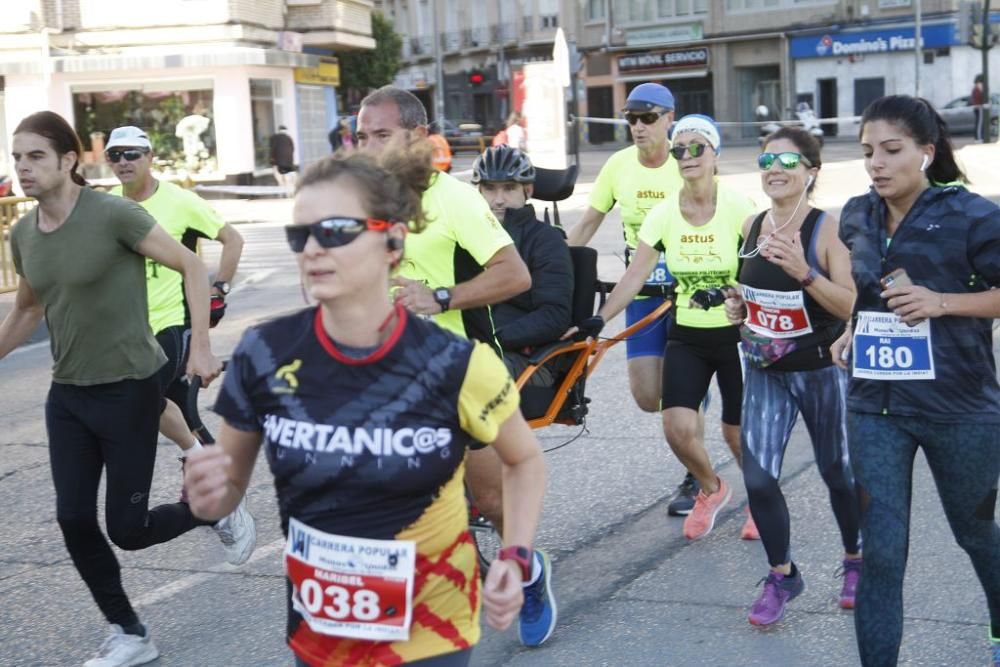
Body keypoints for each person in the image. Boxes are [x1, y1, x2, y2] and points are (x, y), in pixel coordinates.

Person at [183, 141, 548, 667]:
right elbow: (228, 490)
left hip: (430, 638)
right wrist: (209, 498)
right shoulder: (264, 354)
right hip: (319, 639)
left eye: (335, 231)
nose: (312, 249)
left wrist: (515, 554)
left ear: (393, 244)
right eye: (301, 234)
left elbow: (526, 459)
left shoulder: (457, 364)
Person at [0, 111, 251, 667]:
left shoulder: (113, 214)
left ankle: (212, 509)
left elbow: (190, 265)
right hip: (68, 395)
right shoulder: (22, 233)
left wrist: (203, 346)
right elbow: (27, 309)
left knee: (129, 531)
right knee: (71, 517)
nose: (23, 167)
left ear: (68, 160)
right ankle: (130, 632)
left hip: (129, 391)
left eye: (36, 156)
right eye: (17, 156)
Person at [354, 86, 555, 649]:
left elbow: (515, 276)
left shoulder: (455, 200)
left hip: (449, 373)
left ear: (418, 137)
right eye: (362, 136)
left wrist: (439, 297)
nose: (368, 147)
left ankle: (528, 572)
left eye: (382, 135)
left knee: (490, 501)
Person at [830, 95, 1000, 667]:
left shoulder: (974, 215)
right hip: (876, 405)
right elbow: (869, 292)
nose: (876, 163)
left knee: (974, 533)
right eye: (867, 152)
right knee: (881, 551)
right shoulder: (856, 213)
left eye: (891, 150)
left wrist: (942, 302)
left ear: (926, 153)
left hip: (961, 406)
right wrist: (853, 330)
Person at [579, 114, 756, 541]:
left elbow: (759, 272)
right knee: (676, 427)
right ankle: (712, 489)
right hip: (689, 335)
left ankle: (762, 500)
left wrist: (737, 295)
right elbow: (634, 278)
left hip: (735, 338)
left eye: (698, 148)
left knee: (736, 434)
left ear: (715, 154)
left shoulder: (740, 208)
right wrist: (599, 319)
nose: (687, 156)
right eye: (680, 149)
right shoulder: (662, 214)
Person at [722, 127, 861, 626]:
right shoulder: (750, 225)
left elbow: (851, 305)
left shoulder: (827, 229)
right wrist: (740, 308)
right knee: (758, 480)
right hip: (766, 370)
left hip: (822, 371)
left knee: (838, 474)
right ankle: (782, 575)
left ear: (811, 171)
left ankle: (855, 560)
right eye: (766, 160)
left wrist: (806, 272)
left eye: (787, 160)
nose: (775, 169)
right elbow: (751, 296)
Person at [566, 83, 701, 515]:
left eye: (648, 117)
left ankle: (696, 478)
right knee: (648, 397)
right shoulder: (619, 166)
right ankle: (694, 402)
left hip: (691, 293)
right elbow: (589, 222)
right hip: (641, 289)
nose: (638, 127)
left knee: (681, 395)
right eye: (631, 118)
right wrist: (550, 267)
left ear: (669, 119)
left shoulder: (687, 163)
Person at [105, 125, 246, 497]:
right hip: (128, 328)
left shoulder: (179, 201)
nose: (123, 161)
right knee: (178, 407)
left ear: (150, 157)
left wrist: (221, 288)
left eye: (132, 153)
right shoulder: (106, 206)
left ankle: (197, 476)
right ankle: (215, 475)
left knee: (144, 400)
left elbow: (233, 239)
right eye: (114, 155)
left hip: (173, 321)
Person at [470, 144, 573, 388]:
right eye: (489, 189)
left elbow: (554, 316)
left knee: (461, 373)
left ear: (527, 189)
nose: (498, 199)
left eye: (508, 188)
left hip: (528, 361)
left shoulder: (546, 240)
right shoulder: (468, 236)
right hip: (475, 347)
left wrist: (492, 339)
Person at [270, 125, 296, 191]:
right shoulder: (289, 138)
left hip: (278, 163)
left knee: (281, 181)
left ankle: (282, 193)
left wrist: (271, 159)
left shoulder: (275, 138)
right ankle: (288, 194)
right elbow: (293, 149)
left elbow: (273, 149)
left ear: (278, 130)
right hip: (288, 162)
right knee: (287, 180)